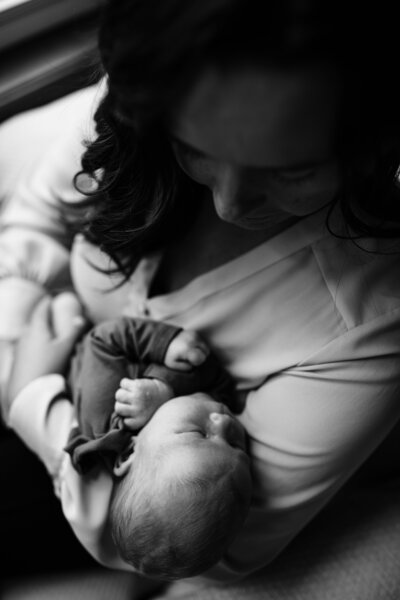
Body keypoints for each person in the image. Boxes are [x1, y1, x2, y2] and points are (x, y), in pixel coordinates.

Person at [1, 0, 400, 595]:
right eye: (198, 149)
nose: (230, 206)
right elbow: (35, 220)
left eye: (292, 171)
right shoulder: (155, 100)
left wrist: (31, 399)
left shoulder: (372, 322)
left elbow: (201, 543)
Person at [5, 291, 251, 580]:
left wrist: (163, 348)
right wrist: (166, 386)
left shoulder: (104, 416)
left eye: (199, 433)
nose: (223, 421)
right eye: (236, 444)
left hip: (37, 397)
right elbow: (214, 376)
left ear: (128, 451)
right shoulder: (185, 444)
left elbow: (103, 340)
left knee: (53, 307)